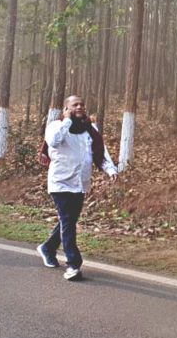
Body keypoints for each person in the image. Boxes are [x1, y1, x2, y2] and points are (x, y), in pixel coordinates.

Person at [36, 95, 117, 280]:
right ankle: (73, 265)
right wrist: (66, 121)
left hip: (81, 183)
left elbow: (99, 151)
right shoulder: (56, 126)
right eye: (75, 105)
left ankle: (47, 248)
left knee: (69, 221)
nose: (79, 107)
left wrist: (110, 169)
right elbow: (54, 142)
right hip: (61, 182)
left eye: (81, 104)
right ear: (66, 108)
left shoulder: (90, 128)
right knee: (68, 221)